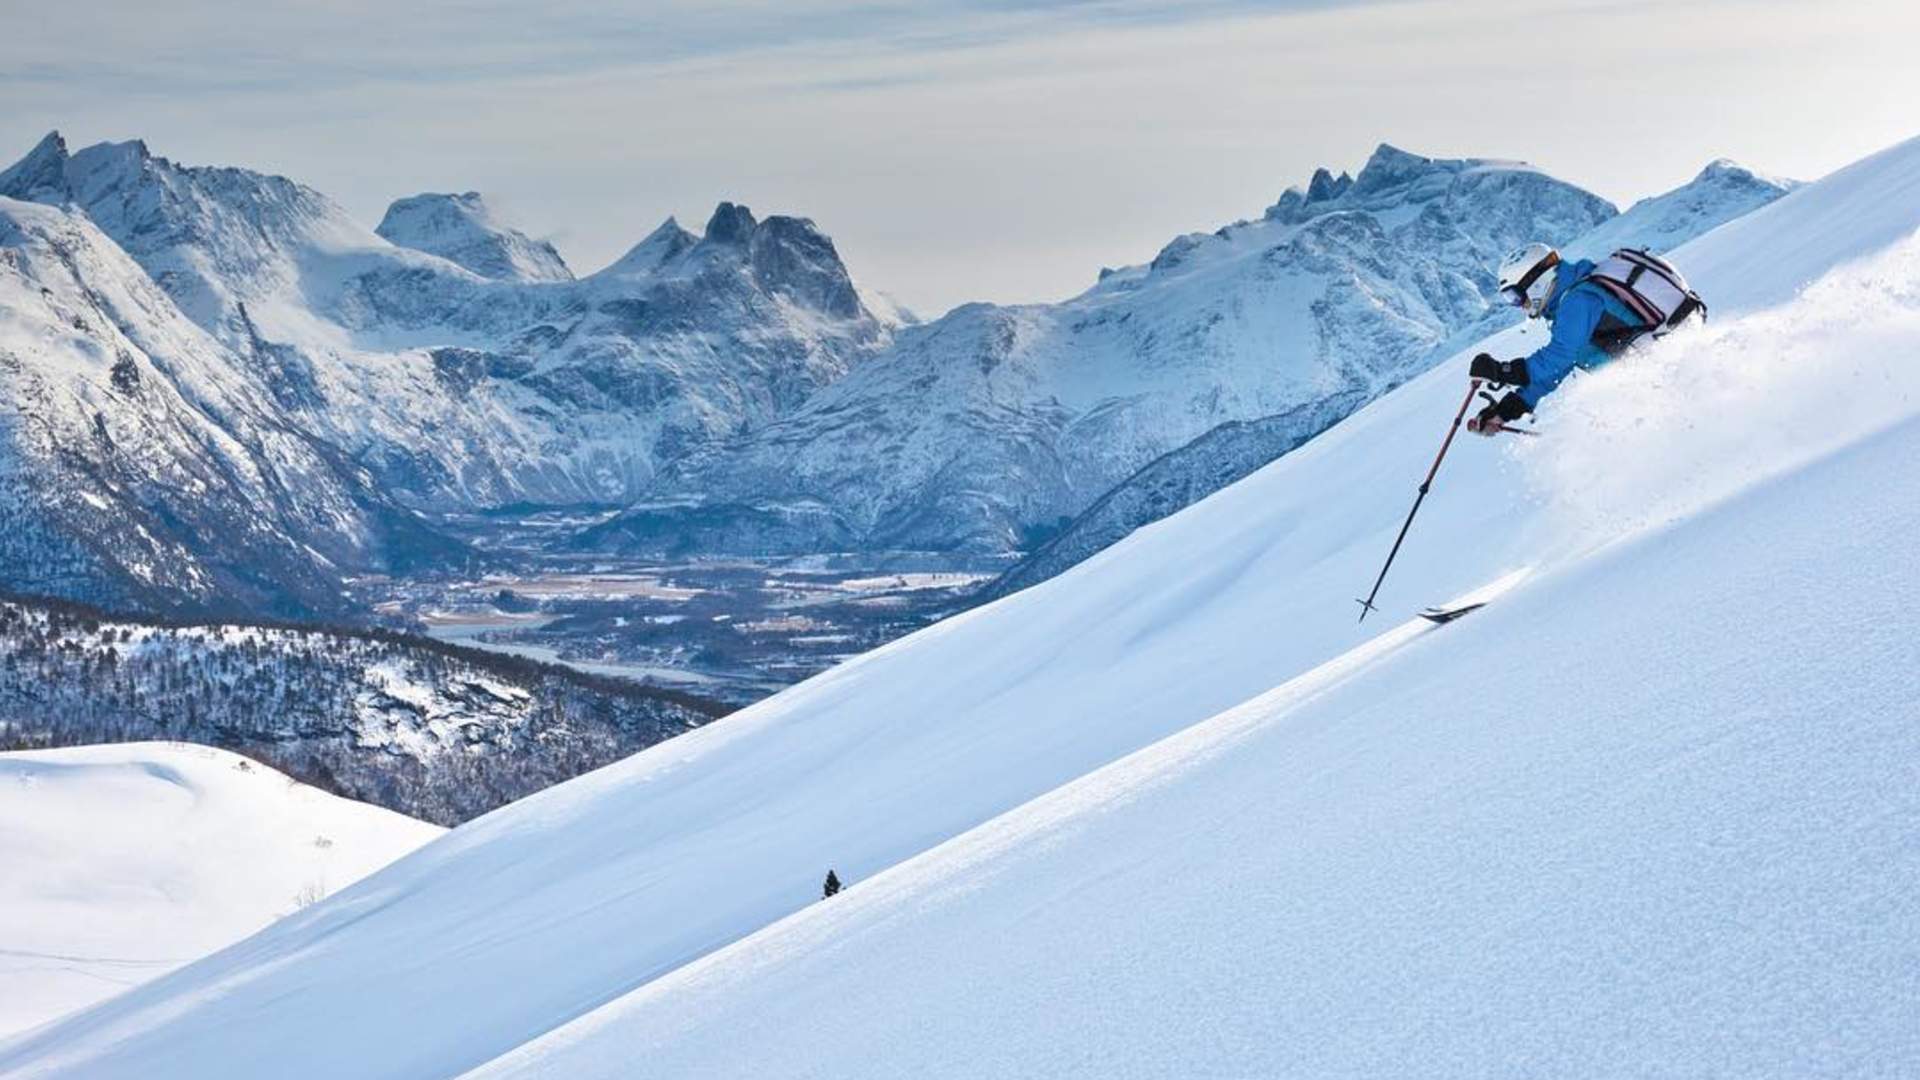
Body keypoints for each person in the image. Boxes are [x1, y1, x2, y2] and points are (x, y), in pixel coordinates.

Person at [1467, 243, 1666, 435]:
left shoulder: (1578, 299)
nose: (1519, 305)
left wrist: (1502, 371)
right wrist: (1505, 411)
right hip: (1650, 380)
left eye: (1515, 296)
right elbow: (1556, 370)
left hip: (1661, 378)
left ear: (1536, 281)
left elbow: (1560, 356)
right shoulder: (1569, 302)